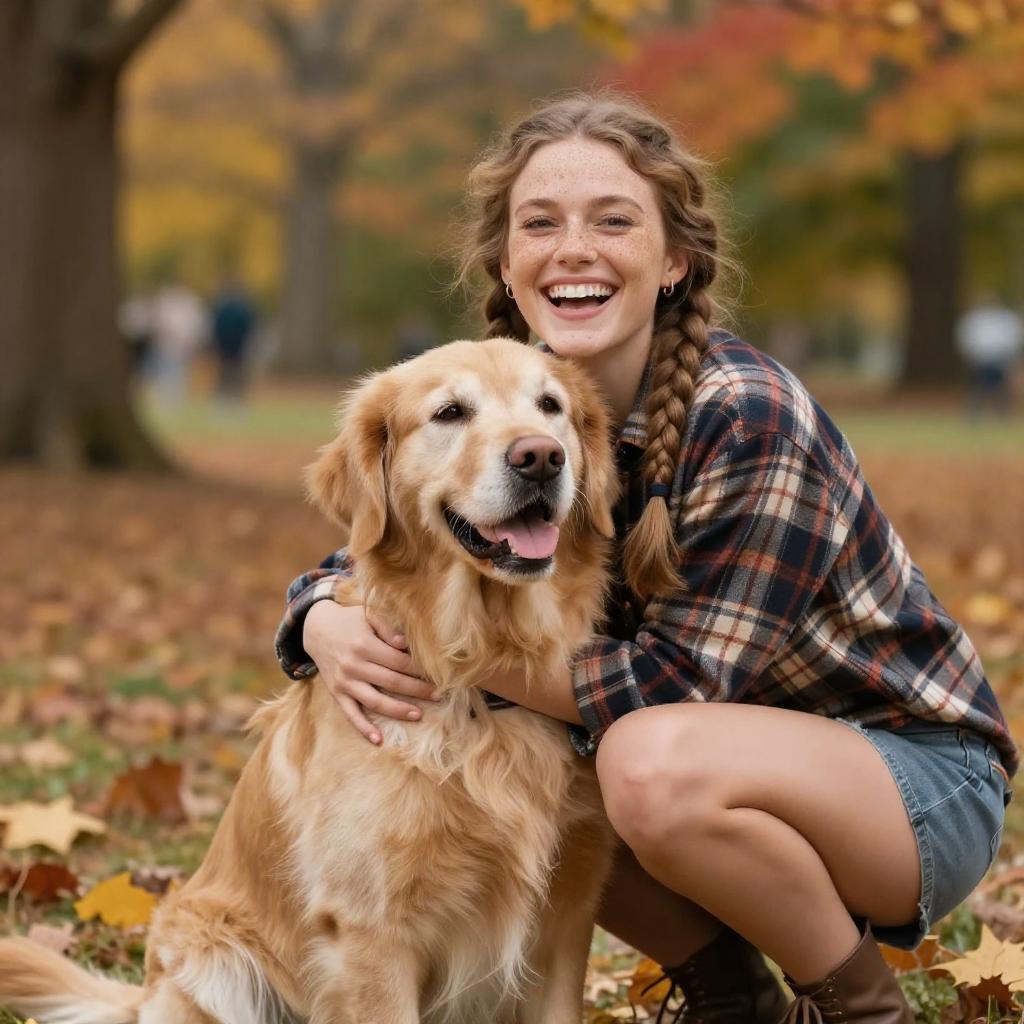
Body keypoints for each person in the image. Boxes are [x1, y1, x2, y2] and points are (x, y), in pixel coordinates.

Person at [273, 94, 1016, 1024]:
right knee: (530, 760)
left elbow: (674, 687)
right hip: (713, 776)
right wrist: (323, 617)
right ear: (508, 264)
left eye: (613, 221)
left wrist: (425, 647)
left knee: (637, 761)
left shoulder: (746, 414)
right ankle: (731, 999)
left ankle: (863, 1008)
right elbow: (387, 553)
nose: (573, 248)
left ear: (672, 261)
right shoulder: (514, 397)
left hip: (908, 785)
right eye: (540, 224)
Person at [956, 295, 1024, 417]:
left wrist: (1009, 356)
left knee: (1001, 387)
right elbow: (967, 337)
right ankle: (975, 411)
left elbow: (1014, 338)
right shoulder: (975, 318)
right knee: (977, 387)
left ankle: (1002, 411)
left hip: (1001, 359)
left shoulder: (1006, 318)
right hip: (980, 360)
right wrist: (973, 355)